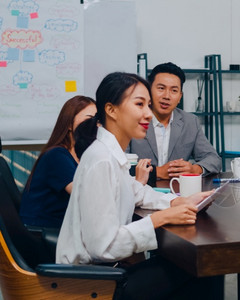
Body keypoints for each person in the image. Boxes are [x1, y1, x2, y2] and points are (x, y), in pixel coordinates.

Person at [56, 72, 223, 299]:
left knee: (202, 267)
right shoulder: (102, 160)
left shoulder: (111, 154)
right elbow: (103, 246)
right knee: (204, 266)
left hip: (106, 271)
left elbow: (137, 191)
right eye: (139, 104)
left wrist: (178, 201)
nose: (148, 114)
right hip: (94, 281)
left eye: (148, 105)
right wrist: (161, 218)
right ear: (111, 110)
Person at [127, 62, 221, 180]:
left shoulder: (190, 122)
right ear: (148, 90)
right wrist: (157, 172)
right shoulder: (132, 119)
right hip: (140, 191)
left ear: (180, 97)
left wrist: (194, 169)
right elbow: (118, 165)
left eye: (174, 90)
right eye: (161, 88)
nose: (167, 96)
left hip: (177, 192)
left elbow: (213, 159)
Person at [20, 96, 96, 229]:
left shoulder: (81, 154)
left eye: (97, 120)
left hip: (61, 226)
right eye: (88, 119)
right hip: (41, 231)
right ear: (69, 125)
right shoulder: (56, 155)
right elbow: (83, 194)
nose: (94, 125)